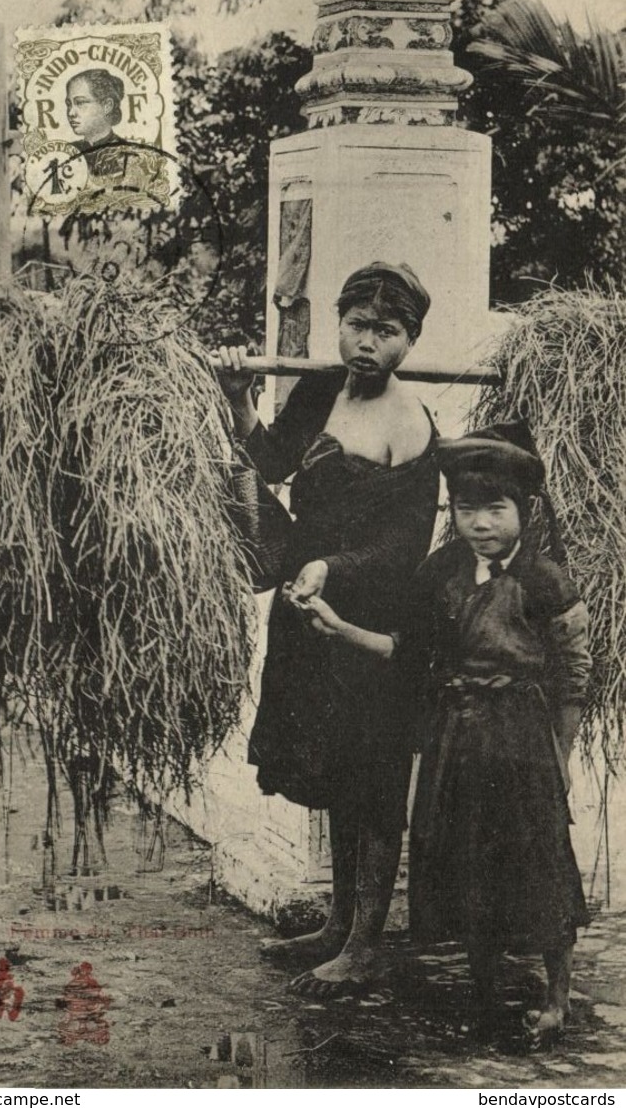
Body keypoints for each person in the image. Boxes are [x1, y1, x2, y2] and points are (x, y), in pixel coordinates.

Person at [301, 422, 592, 1042]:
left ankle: (556, 1001)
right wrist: (339, 627)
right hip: (455, 743)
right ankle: (483, 997)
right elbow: (407, 652)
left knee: (537, 865)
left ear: (524, 509)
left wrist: (560, 754)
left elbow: (573, 676)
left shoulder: (546, 580)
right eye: (466, 509)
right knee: (468, 865)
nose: (481, 523)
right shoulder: (441, 574)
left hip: (522, 745)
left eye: (495, 508)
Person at [214, 262, 440, 996]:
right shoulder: (316, 388)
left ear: (410, 339)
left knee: (372, 780)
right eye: (356, 324)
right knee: (336, 768)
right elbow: (273, 461)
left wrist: (330, 569)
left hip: (369, 619)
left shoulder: (410, 424)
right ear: (337, 322)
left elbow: (401, 549)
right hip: (308, 609)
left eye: (386, 331)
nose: (366, 342)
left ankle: (367, 944)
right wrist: (238, 402)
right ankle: (338, 923)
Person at [65, 69, 128, 178]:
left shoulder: (128, 154)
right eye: (69, 104)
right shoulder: (65, 154)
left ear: (107, 106)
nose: (71, 113)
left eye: (80, 102)